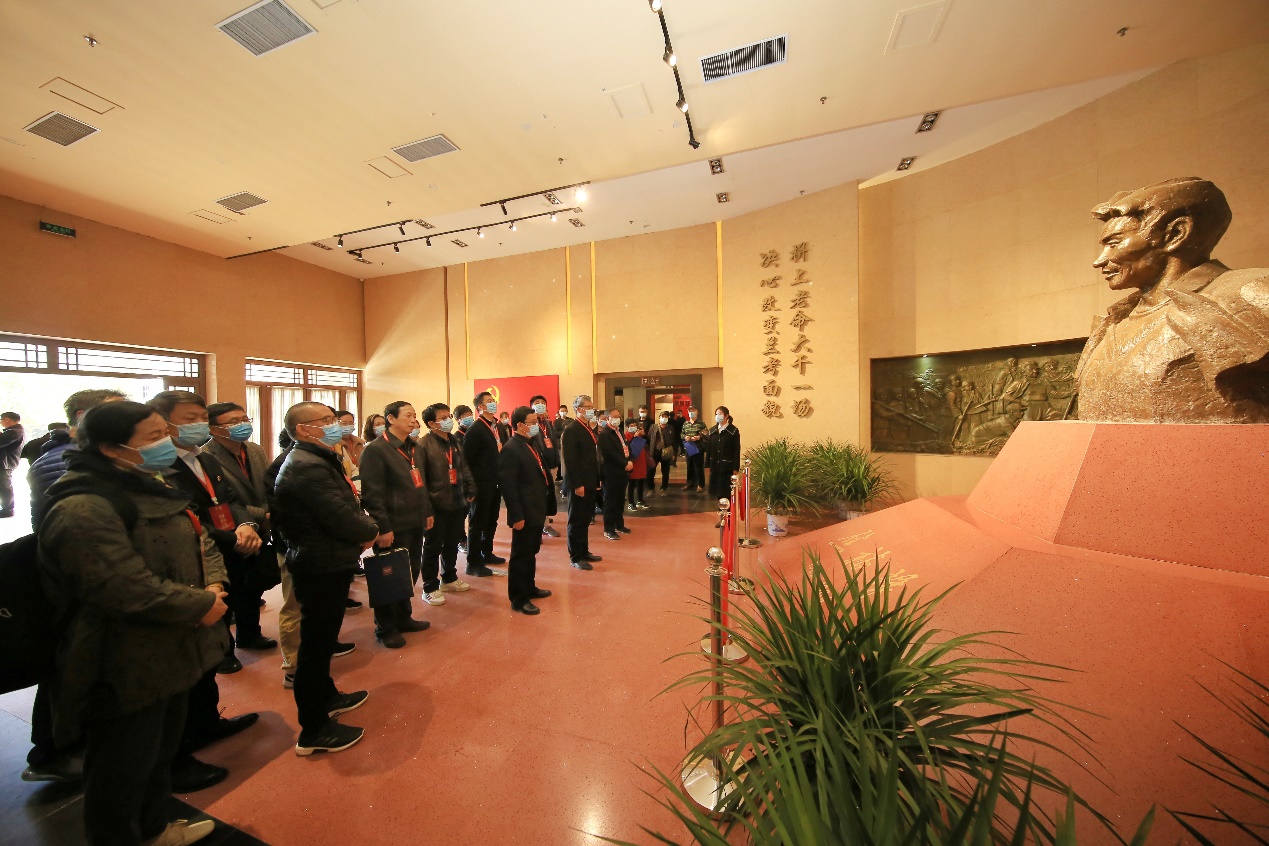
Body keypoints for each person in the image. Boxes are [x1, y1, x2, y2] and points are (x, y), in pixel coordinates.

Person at [39, 400, 231, 845]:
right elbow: (120, 586)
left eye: (165, 433)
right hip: (121, 656)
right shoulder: (84, 506)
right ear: (111, 448)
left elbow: (200, 539)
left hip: (171, 645)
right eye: (153, 437)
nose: (166, 443)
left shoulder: (149, 483)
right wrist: (198, 603)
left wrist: (213, 583)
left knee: (158, 750)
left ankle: (153, 828)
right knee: (122, 763)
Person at [1075, 177, 1269, 423]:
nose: (1100, 261)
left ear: (1176, 234)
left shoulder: (1247, 295)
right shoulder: (1113, 322)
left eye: (1114, 243)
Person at [145, 392, 260, 788]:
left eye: (200, 415)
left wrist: (245, 525)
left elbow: (228, 501)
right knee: (182, 666)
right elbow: (188, 522)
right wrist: (231, 538)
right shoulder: (157, 468)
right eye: (189, 418)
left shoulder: (204, 459)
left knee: (211, 648)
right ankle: (180, 748)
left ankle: (207, 721)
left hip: (220, 560)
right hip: (190, 572)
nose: (198, 424)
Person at [22, 388, 128, 786]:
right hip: (76, 581)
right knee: (70, 666)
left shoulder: (94, 458)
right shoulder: (62, 461)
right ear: (85, 418)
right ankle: (54, 751)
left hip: (92, 576)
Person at [272, 402, 378, 755]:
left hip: (328, 558)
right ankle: (314, 729)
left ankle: (327, 695)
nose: (335, 425)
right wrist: (370, 530)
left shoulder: (318, 456)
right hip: (318, 563)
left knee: (324, 638)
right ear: (304, 429)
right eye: (327, 421)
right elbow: (339, 515)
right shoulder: (306, 466)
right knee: (315, 646)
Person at [357, 401, 433, 648]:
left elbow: (422, 483)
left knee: (409, 572)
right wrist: (383, 527)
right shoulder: (376, 450)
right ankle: (386, 627)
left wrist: (427, 511)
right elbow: (372, 494)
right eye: (408, 416)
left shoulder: (415, 447)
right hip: (393, 524)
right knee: (388, 577)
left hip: (414, 521)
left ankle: (404, 617)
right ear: (391, 419)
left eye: (414, 416)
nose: (413, 420)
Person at [204, 402, 278, 652]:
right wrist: (261, 514)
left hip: (261, 528)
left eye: (245, 419)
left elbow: (267, 486)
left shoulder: (254, 450)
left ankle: (249, 635)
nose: (242, 425)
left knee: (252, 588)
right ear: (214, 429)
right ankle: (223, 651)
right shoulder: (207, 456)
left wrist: (267, 513)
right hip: (230, 532)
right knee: (230, 589)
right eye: (233, 422)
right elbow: (221, 501)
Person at [499, 406, 556, 615]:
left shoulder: (530, 443)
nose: (536, 426)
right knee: (521, 555)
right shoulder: (511, 449)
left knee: (531, 552)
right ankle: (518, 598)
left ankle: (529, 587)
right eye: (532, 422)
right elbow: (509, 486)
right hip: (524, 511)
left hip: (536, 507)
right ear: (520, 425)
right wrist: (516, 515)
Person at [417, 403, 474, 606]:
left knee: (451, 542)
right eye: (443, 418)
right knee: (432, 546)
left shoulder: (454, 440)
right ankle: (430, 587)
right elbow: (421, 479)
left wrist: (470, 487)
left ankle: (449, 577)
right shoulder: (423, 445)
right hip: (437, 503)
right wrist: (427, 508)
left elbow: (463, 466)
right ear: (432, 423)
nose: (448, 420)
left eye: (448, 416)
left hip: (457, 500)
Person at [464, 391, 506, 576]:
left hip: (495, 482)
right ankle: (473, 562)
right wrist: (471, 486)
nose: (493, 403)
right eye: (488, 401)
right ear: (480, 407)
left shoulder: (496, 426)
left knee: (492, 520)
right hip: (481, 484)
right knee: (477, 523)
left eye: (493, 400)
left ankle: (486, 552)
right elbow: (467, 460)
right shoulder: (476, 429)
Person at [559, 395, 602, 570]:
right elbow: (571, 460)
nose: (592, 410)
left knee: (585, 519)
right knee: (576, 520)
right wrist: (577, 484)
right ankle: (576, 556)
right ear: (579, 409)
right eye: (589, 407)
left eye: (592, 406)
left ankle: (584, 551)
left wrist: (596, 480)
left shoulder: (587, 428)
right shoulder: (572, 430)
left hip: (590, 480)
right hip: (579, 483)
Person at [529, 395, 562, 538]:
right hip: (539, 466)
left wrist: (556, 461)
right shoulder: (531, 424)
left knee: (548, 494)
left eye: (543, 402)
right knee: (540, 495)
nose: (540, 405)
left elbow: (553, 441)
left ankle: (545, 519)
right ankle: (544, 525)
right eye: (537, 403)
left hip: (551, 465)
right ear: (531, 406)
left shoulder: (547, 423)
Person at [597, 409, 632, 540]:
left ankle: (619, 525)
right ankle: (609, 529)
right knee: (611, 501)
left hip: (622, 471)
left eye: (619, 416)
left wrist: (629, 461)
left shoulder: (619, 431)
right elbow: (610, 454)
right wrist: (625, 463)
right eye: (615, 416)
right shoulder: (605, 434)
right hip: (611, 472)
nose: (618, 418)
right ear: (607, 418)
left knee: (620, 500)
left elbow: (625, 447)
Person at [707, 407, 741, 501]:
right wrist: (707, 464)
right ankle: (721, 508)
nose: (717, 416)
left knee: (726, 492)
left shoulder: (733, 431)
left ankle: (728, 509)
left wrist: (735, 467)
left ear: (726, 416)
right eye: (716, 414)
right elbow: (709, 449)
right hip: (715, 465)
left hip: (727, 466)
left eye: (720, 414)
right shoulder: (712, 431)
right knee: (717, 491)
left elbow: (736, 450)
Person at [0, 411, 25, 517]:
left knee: (4, 487)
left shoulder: (14, 432)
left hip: (5, 463)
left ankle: (8, 509)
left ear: (7, 419)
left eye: (1, 420)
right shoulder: (15, 431)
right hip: (6, 462)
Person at [646, 410, 675, 494]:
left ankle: (664, 488)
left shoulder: (670, 428)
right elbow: (649, 438)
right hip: (655, 452)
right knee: (651, 471)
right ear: (659, 418)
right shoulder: (653, 427)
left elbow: (674, 441)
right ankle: (651, 488)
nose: (664, 418)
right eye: (662, 417)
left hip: (666, 452)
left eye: (666, 417)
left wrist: (674, 454)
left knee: (665, 472)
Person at [680, 407, 707, 491]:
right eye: (690, 411)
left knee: (698, 467)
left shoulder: (701, 423)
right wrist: (685, 437)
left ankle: (700, 484)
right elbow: (681, 434)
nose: (691, 413)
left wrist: (699, 437)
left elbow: (706, 434)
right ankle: (689, 483)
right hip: (688, 447)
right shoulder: (685, 424)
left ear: (697, 412)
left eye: (693, 411)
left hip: (698, 448)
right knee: (689, 466)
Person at [625, 420, 650, 511]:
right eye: (631, 425)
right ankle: (631, 502)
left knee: (641, 482)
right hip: (633, 462)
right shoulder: (626, 435)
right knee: (632, 483)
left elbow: (647, 442)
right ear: (627, 427)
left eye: (635, 425)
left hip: (641, 461)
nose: (634, 427)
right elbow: (628, 447)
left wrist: (644, 435)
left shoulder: (639, 434)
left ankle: (640, 500)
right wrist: (634, 438)